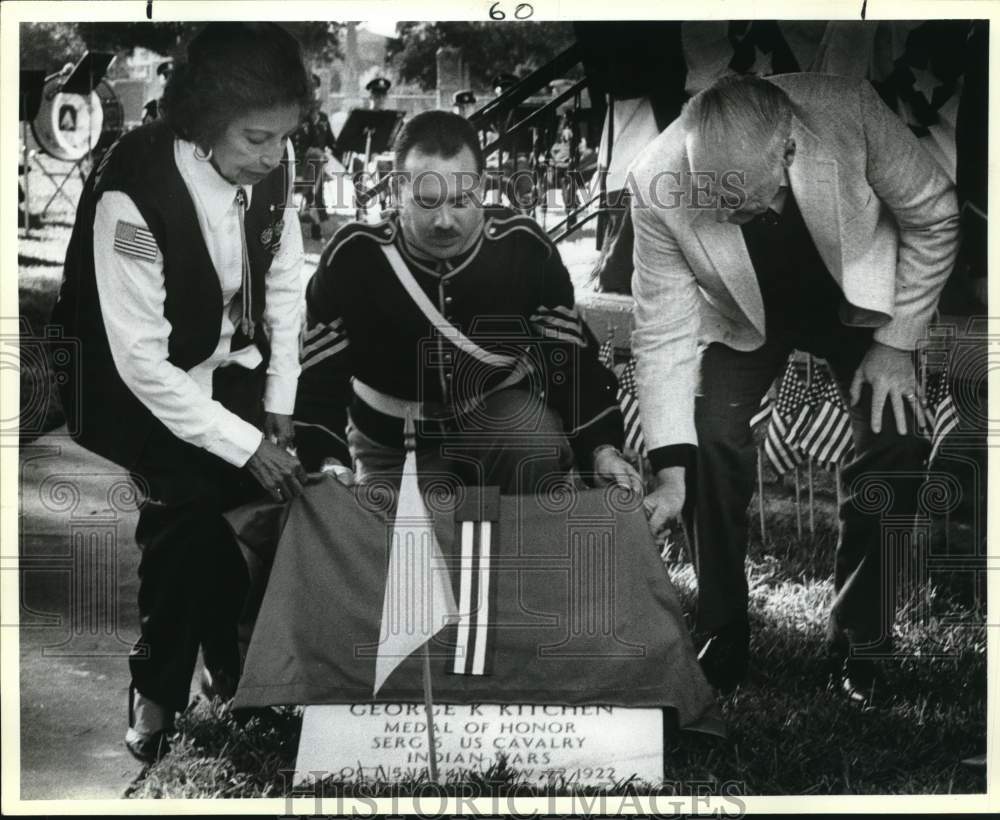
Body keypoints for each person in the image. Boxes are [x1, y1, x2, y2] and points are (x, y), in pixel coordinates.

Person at [629, 74, 959, 700]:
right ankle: (722, 630)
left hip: (860, 304)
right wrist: (669, 468)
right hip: (742, 317)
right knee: (707, 437)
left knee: (897, 441)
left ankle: (861, 644)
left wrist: (896, 345)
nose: (721, 213)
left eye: (740, 202)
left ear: (787, 153)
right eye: (711, 195)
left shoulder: (847, 110)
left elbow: (936, 215)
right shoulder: (653, 180)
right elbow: (662, 335)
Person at [50, 22, 312, 764]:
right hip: (138, 384)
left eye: (284, 138)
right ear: (204, 118)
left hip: (228, 366)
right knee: (187, 515)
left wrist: (282, 405)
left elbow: (286, 285)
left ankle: (233, 663)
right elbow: (141, 362)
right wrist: (246, 442)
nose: (273, 157)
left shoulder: (275, 165)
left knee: (264, 504)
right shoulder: (131, 189)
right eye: (258, 138)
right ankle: (159, 688)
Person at [294, 110, 641, 498]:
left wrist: (602, 448)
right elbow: (319, 379)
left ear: (482, 186)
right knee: (389, 551)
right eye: (427, 202)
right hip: (392, 448)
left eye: (461, 200)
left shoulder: (523, 249)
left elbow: (571, 363)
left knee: (530, 445)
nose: (445, 221)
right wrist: (327, 461)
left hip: (500, 428)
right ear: (396, 192)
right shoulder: (353, 256)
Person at [292, 85, 337, 239]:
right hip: (294, 164)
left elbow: (327, 142)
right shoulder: (297, 117)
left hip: (314, 166)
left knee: (316, 158)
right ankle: (315, 210)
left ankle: (312, 209)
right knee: (315, 157)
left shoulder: (320, 118)